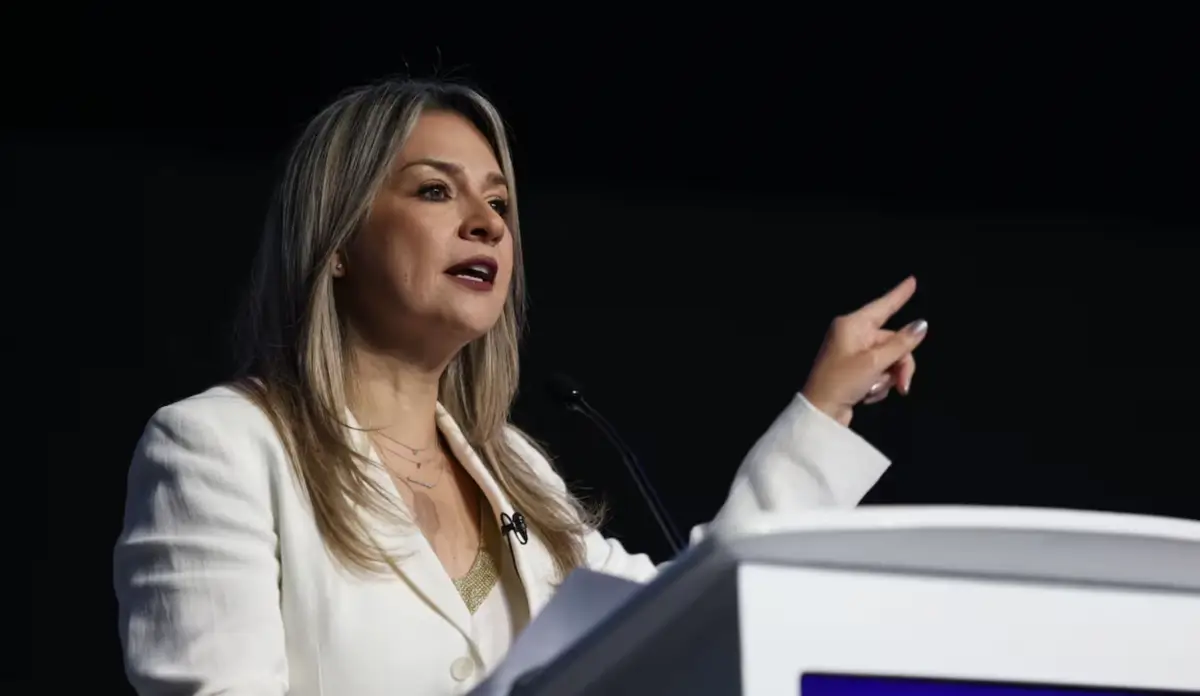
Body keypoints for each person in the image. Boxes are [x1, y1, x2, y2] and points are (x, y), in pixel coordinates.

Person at [113, 79, 929, 696]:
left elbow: (681, 619)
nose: (488, 222)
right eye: (436, 190)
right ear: (336, 243)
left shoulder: (516, 474)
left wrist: (823, 410)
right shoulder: (220, 446)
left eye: (499, 201)